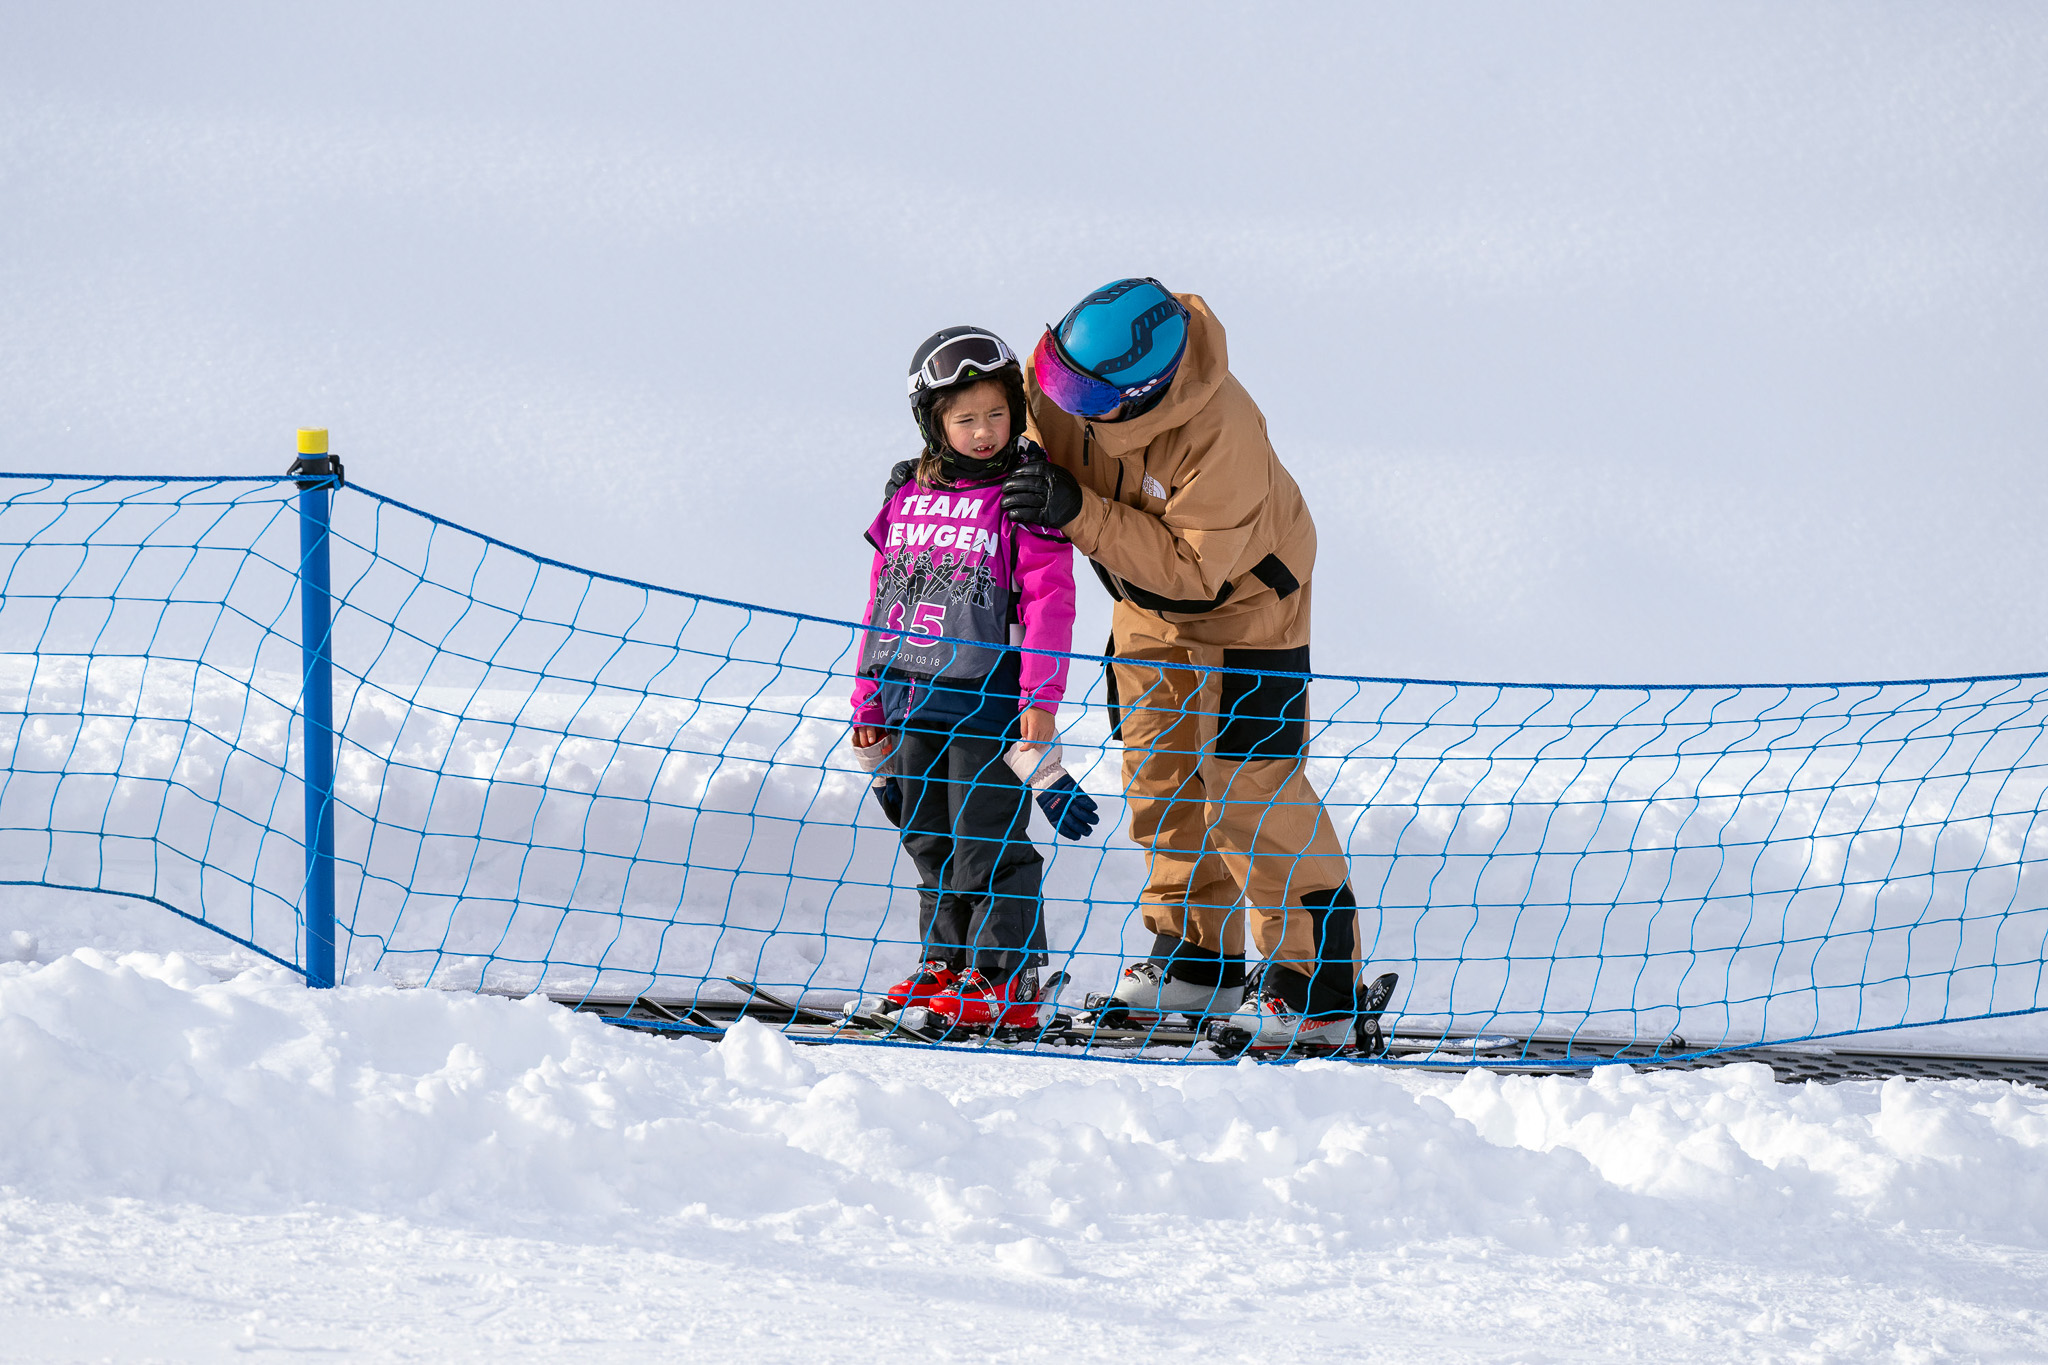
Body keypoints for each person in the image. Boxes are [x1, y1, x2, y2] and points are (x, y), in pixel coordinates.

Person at [1000, 278, 1361, 1052]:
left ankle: (1317, 988)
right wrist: (941, 473)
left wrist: (1077, 512)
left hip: (1244, 613)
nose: (1056, 398)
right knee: (1159, 779)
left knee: (1251, 795)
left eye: (1079, 390)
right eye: (1053, 374)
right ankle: (1196, 959)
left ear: (1145, 389)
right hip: (1142, 607)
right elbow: (999, 430)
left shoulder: (1219, 431)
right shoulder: (1061, 384)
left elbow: (1195, 571)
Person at [848, 326, 1099, 1030]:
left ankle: (1004, 975)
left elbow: (1052, 607)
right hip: (908, 698)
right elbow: (881, 598)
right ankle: (946, 962)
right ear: (934, 423)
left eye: (996, 414)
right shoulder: (907, 494)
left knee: (987, 840)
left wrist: (1040, 708)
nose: (984, 431)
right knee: (929, 839)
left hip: (986, 699)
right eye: (965, 418)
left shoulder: (1024, 497)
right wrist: (867, 699)